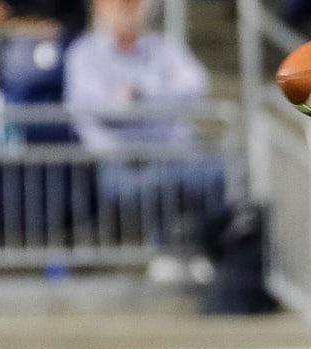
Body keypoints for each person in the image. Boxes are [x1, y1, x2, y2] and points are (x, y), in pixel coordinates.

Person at [63, 0, 224, 245]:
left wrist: (139, 92)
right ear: (99, 8)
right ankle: (165, 247)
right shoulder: (83, 53)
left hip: (175, 155)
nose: (128, 10)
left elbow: (195, 88)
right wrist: (162, 97)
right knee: (159, 183)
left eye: (134, 4)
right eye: (120, 4)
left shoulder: (165, 47)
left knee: (226, 172)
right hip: (120, 164)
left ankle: (206, 250)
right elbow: (105, 112)